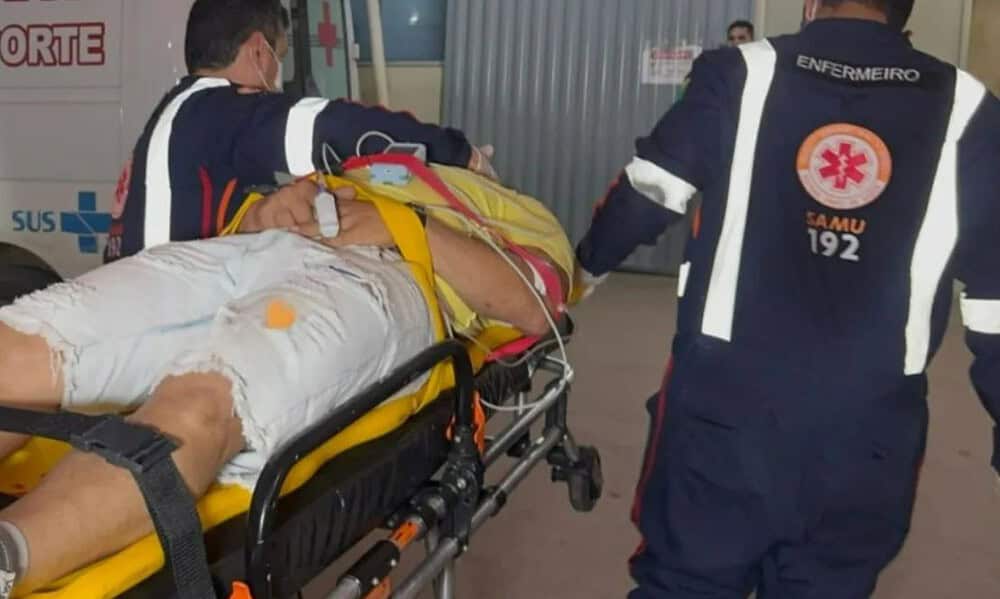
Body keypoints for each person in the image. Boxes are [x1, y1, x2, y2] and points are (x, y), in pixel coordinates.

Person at [574, 0, 1000, 597]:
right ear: (905, 15)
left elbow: (648, 192)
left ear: (809, 4)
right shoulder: (971, 109)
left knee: (687, 582)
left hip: (723, 412)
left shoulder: (739, 73)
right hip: (869, 430)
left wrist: (580, 271)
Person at [0, 158, 572, 595]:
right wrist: (265, 213)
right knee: (18, 346)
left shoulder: (517, 214)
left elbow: (532, 307)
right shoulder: (364, 166)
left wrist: (404, 224)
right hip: (257, 249)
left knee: (201, 402)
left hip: (385, 276)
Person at [105, 0, 497, 262]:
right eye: (279, 58)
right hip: (164, 326)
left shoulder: (180, 110)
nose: (277, 72)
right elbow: (338, 127)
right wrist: (461, 154)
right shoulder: (220, 113)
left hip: (137, 309)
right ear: (259, 52)